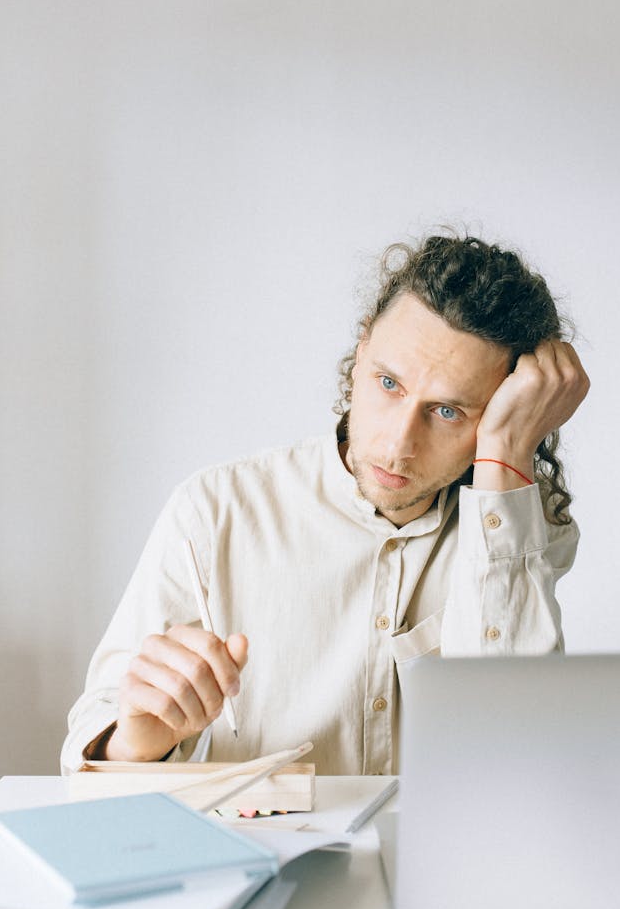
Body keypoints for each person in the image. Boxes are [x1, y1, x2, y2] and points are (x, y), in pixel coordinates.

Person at [61, 232, 590, 775]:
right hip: (265, 852)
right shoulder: (216, 510)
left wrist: (506, 450)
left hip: (448, 855)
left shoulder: (518, 525)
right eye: (388, 383)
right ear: (361, 353)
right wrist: (136, 740)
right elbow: (88, 744)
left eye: (448, 411)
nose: (397, 444)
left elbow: (517, 750)